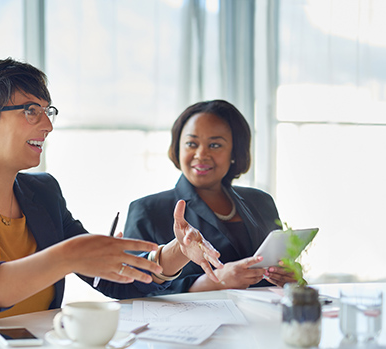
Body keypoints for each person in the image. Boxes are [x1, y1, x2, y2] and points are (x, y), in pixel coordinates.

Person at [0, 58, 223, 348]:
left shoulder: (43, 192)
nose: (47, 125)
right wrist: (65, 256)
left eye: (47, 112)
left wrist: (176, 251)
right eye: (31, 111)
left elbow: (108, 273)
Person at [124, 100, 296, 294]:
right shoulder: (147, 210)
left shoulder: (261, 202)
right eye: (191, 144)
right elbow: (131, 291)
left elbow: (277, 271)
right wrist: (213, 281)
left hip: (263, 320)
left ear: (234, 152)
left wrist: (288, 280)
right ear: (178, 148)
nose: (201, 154)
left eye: (215, 145)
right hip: (189, 323)